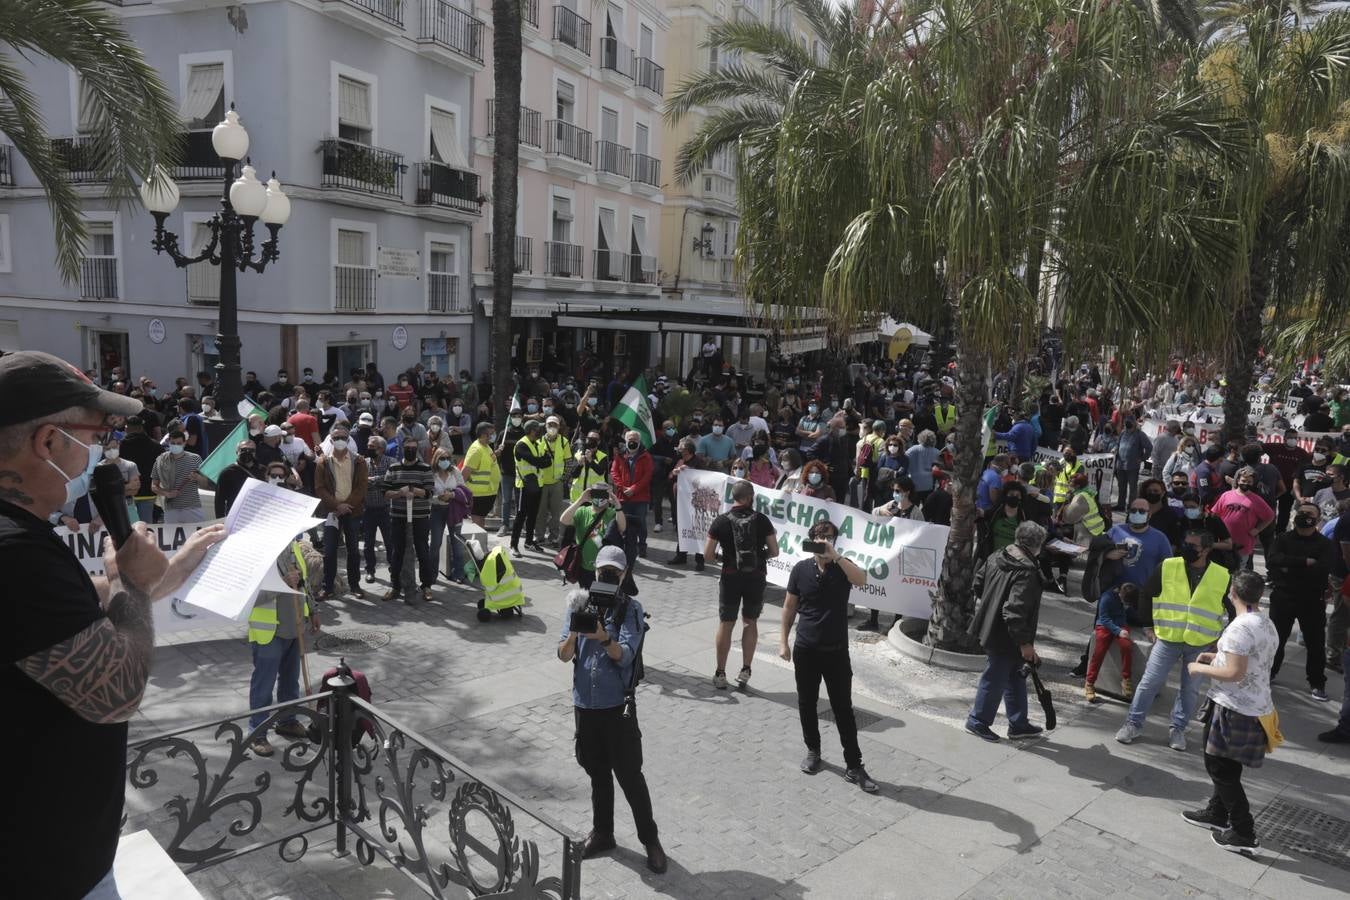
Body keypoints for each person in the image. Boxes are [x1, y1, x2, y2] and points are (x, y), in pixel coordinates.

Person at [2, 350, 224, 899]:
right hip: (43, 871)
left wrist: (166, 572)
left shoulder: (23, 538)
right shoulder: (14, 554)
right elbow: (116, 692)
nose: (101, 451)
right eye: (95, 434)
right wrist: (134, 584)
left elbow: (85, 615)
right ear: (48, 442)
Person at [557, 546, 667, 873]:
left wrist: (605, 638)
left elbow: (626, 656)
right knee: (597, 772)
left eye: (613, 573)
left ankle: (651, 840)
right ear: (595, 570)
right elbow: (563, 655)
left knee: (630, 775)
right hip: (585, 704)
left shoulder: (630, 609)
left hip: (617, 706)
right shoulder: (578, 603)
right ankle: (603, 833)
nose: (607, 577)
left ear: (624, 575)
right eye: (603, 571)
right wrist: (577, 628)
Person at [1181, 571, 1277, 854]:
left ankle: (1244, 833)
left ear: (1232, 593)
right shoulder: (1265, 622)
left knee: (1219, 767)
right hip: (1253, 706)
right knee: (1228, 764)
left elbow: (1235, 672)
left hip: (1234, 706)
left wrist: (1199, 668)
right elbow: (1251, 661)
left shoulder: (1239, 627)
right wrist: (1216, 657)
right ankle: (1217, 813)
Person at [779, 519, 878, 791]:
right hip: (806, 650)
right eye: (820, 536)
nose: (824, 540)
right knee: (806, 703)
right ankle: (813, 751)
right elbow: (789, 607)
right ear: (811, 539)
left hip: (836, 652)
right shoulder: (800, 570)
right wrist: (783, 642)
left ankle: (854, 765)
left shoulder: (843, 568)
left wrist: (835, 556)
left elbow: (862, 579)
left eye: (830, 537)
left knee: (843, 709)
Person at [1117, 529, 1230, 750]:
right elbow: (1146, 594)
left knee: (1189, 691)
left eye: (1193, 545)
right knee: (1149, 683)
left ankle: (1177, 729)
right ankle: (1133, 724)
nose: (1187, 548)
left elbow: (1232, 610)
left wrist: (1223, 639)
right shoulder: (1168, 566)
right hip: (1168, 638)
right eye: (1185, 543)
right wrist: (1148, 625)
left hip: (1200, 642)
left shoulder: (1222, 575)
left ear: (1206, 550)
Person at [965, 521, 1049, 742]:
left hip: (993, 627)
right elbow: (1014, 610)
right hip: (1007, 635)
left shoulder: (998, 555)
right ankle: (978, 720)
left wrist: (992, 604)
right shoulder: (1027, 572)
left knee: (1014, 676)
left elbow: (978, 582)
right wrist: (1025, 644)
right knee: (996, 676)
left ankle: (1019, 723)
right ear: (1037, 545)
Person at [246, 540, 321, 757]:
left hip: (294, 627)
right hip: (269, 631)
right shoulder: (256, 552)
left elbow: (304, 583)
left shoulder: (294, 547)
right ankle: (257, 732)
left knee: (290, 679)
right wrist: (282, 584)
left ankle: (287, 721)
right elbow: (249, 597)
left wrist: (313, 609)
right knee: (264, 683)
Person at [705, 480, 779, 690]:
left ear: (734, 497)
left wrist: (724, 557)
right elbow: (775, 551)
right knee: (750, 622)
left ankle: (720, 673)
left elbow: (708, 555)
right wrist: (758, 556)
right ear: (750, 497)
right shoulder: (762, 520)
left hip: (730, 577)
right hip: (756, 577)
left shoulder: (721, 521)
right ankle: (746, 670)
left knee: (726, 623)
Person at [1266, 501, 1335, 700]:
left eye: (1310, 514)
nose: (1305, 516)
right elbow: (1273, 562)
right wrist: (1304, 563)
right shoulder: (1282, 539)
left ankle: (1316, 683)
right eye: (1302, 512)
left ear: (1318, 519)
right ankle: (1269, 672)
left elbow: (1322, 569)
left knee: (1315, 643)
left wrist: (1288, 566)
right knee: (1276, 639)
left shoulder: (1324, 544)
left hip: (1312, 599)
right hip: (1283, 597)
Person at [315, 423, 369, 601]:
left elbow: (362, 487)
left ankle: (355, 585)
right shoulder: (323, 462)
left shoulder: (359, 461)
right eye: (336, 438)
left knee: (353, 550)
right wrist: (337, 506)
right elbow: (320, 488)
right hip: (332, 513)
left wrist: (346, 505)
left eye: (343, 438)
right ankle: (328, 587)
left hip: (352, 512)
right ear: (331, 440)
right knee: (329, 552)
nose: (339, 440)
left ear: (348, 440)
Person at [383, 441, 434, 603]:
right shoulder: (393, 468)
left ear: (417, 449)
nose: (410, 450)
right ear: (402, 449)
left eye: (413, 447)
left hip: (420, 517)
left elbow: (429, 493)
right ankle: (395, 586)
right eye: (407, 448)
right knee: (397, 552)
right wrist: (400, 492)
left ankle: (426, 586)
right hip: (398, 517)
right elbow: (385, 492)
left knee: (422, 551)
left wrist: (413, 490)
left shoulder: (425, 468)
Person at [560, 482, 626, 588]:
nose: (599, 498)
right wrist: (581, 500)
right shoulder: (582, 511)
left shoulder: (612, 513)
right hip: (585, 567)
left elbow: (622, 527)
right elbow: (564, 519)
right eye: (596, 494)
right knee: (587, 598)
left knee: (603, 597)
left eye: (603, 494)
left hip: (605, 568)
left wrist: (617, 503)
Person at [1213, 466, 1275, 571]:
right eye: (1243, 480)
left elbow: (1270, 516)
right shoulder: (1226, 495)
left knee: (1238, 574)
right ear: (1238, 480)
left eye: (1249, 481)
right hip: (1223, 542)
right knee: (1219, 572)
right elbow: (1215, 514)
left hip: (1243, 544)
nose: (1246, 483)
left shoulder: (1256, 500)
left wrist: (1257, 530)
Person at [1085, 583, 1136, 702]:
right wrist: (1118, 631)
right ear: (1119, 594)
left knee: (1126, 646)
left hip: (1120, 624)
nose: (1125, 605)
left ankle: (1126, 679)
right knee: (1099, 651)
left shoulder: (1129, 594)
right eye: (1124, 602)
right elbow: (1104, 618)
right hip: (1105, 625)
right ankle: (1090, 682)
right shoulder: (1106, 598)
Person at [611, 430, 653, 563]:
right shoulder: (620, 456)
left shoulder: (646, 456)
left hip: (640, 497)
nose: (632, 441)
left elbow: (648, 475)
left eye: (635, 439)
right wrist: (622, 488)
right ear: (625, 440)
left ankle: (642, 546)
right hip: (623, 497)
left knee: (641, 523)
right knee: (623, 523)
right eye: (630, 439)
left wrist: (634, 489)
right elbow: (614, 472)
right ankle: (625, 545)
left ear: (639, 441)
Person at [429, 446, 469, 586]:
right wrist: (438, 497)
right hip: (437, 510)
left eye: (447, 458)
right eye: (442, 458)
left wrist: (451, 495)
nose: (445, 461)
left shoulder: (455, 471)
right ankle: (431, 575)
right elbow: (427, 494)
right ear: (436, 459)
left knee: (456, 543)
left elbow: (463, 489)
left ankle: (459, 573)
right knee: (435, 544)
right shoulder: (431, 473)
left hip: (454, 510)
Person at [151, 429, 209, 523]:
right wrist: (167, 494)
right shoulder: (160, 460)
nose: (176, 445)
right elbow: (154, 486)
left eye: (179, 443)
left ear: (184, 443)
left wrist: (197, 477)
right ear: (168, 442)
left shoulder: (195, 459)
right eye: (173, 443)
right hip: (171, 509)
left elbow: (205, 484)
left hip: (192, 507)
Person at [668, 439, 709, 570]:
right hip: (681, 501)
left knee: (698, 529)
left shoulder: (699, 463)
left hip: (696, 503)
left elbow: (705, 480)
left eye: (683, 450)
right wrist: (674, 473)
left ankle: (700, 560)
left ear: (689, 451)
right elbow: (670, 476)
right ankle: (681, 555)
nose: (681, 452)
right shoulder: (680, 462)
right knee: (682, 527)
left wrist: (690, 471)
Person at [511, 420, 550, 556]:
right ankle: (513, 545)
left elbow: (548, 462)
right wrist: (541, 461)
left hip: (537, 485)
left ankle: (528, 542)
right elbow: (537, 461)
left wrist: (541, 462)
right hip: (524, 486)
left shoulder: (538, 444)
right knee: (521, 516)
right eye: (538, 429)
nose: (540, 432)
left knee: (533, 515)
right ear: (532, 431)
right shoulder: (521, 445)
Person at [360, 436, 392, 583]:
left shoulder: (390, 462)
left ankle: (394, 569)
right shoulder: (364, 463)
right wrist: (378, 482)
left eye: (373, 447)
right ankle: (370, 570)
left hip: (386, 509)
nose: (370, 449)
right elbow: (361, 481)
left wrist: (373, 481)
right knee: (368, 543)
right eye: (369, 446)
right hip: (369, 510)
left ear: (381, 449)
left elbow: (390, 480)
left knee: (390, 541)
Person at [537, 415, 571, 546]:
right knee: (540, 512)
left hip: (557, 483)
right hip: (541, 482)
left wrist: (563, 479)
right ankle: (539, 536)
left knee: (556, 513)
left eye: (554, 425)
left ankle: (553, 537)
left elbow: (568, 462)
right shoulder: (539, 441)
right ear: (545, 426)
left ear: (559, 427)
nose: (552, 427)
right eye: (549, 425)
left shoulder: (564, 442)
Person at [462, 421, 501, 529]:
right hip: (477, 494)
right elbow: (465, 472)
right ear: (484, 435)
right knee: (477, 520)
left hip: (488, 492)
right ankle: (477, 543)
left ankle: (481, 542)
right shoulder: (476, 450)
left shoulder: (486, 446)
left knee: (481, 519)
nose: (494, 436)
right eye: (492, 433)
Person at [215, 440, 257, 518]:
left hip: (256, 515)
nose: (247, 452)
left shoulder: (263, 471)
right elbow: (219, 501)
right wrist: (220, 521)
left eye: (251, 450)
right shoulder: (226, 473)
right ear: (237, 452)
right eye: (243, 450)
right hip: (235, 516)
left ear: (255, 453)